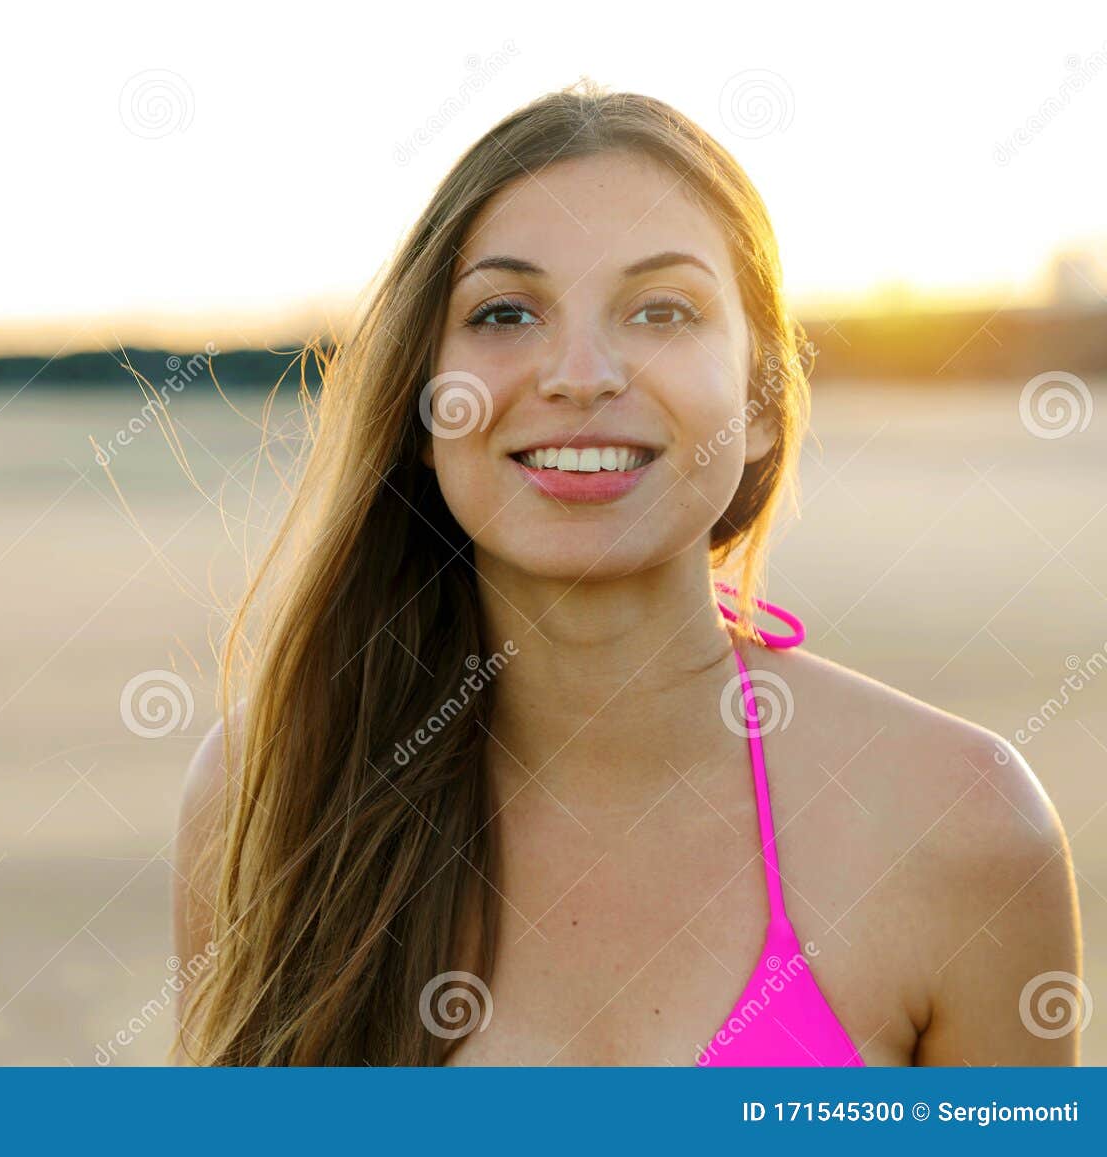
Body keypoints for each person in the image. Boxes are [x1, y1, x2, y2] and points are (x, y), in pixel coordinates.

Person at [170, 82, 1083, 1066]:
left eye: (661, 309)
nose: (581, 372)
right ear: (424, 408)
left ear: (762, 398)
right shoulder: (269, 788)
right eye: (506, 311)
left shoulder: (962, 821)